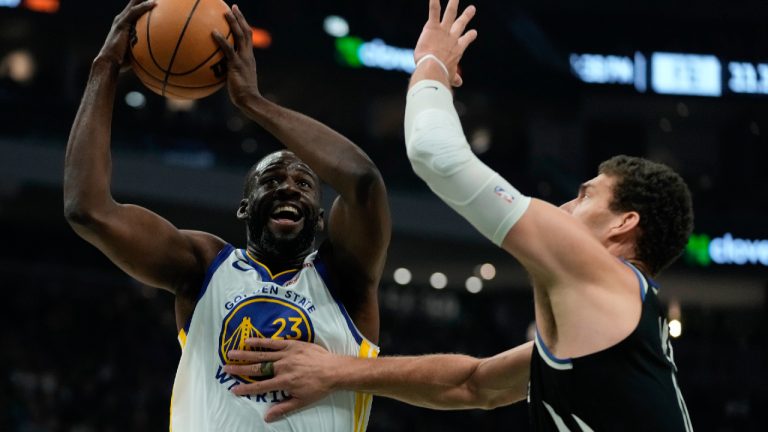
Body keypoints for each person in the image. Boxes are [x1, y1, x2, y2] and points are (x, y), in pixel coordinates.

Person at [220, 1, 695, 431]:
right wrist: (336, 371)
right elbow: (472, 385)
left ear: (623, 224)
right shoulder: (611, 329)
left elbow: (435, 154)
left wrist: (431, 64)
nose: (565, 207)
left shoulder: (606, 279)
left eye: (585, 197)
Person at [63, 1, 391, 431]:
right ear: (244, 207)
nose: (289, 186)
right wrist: (104, 68)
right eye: (271, 181)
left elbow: (363, 181)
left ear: (322, 217)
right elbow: (87, 209)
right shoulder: (203, 266)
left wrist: (253, 102)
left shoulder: (346, 281)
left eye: (304, 184)